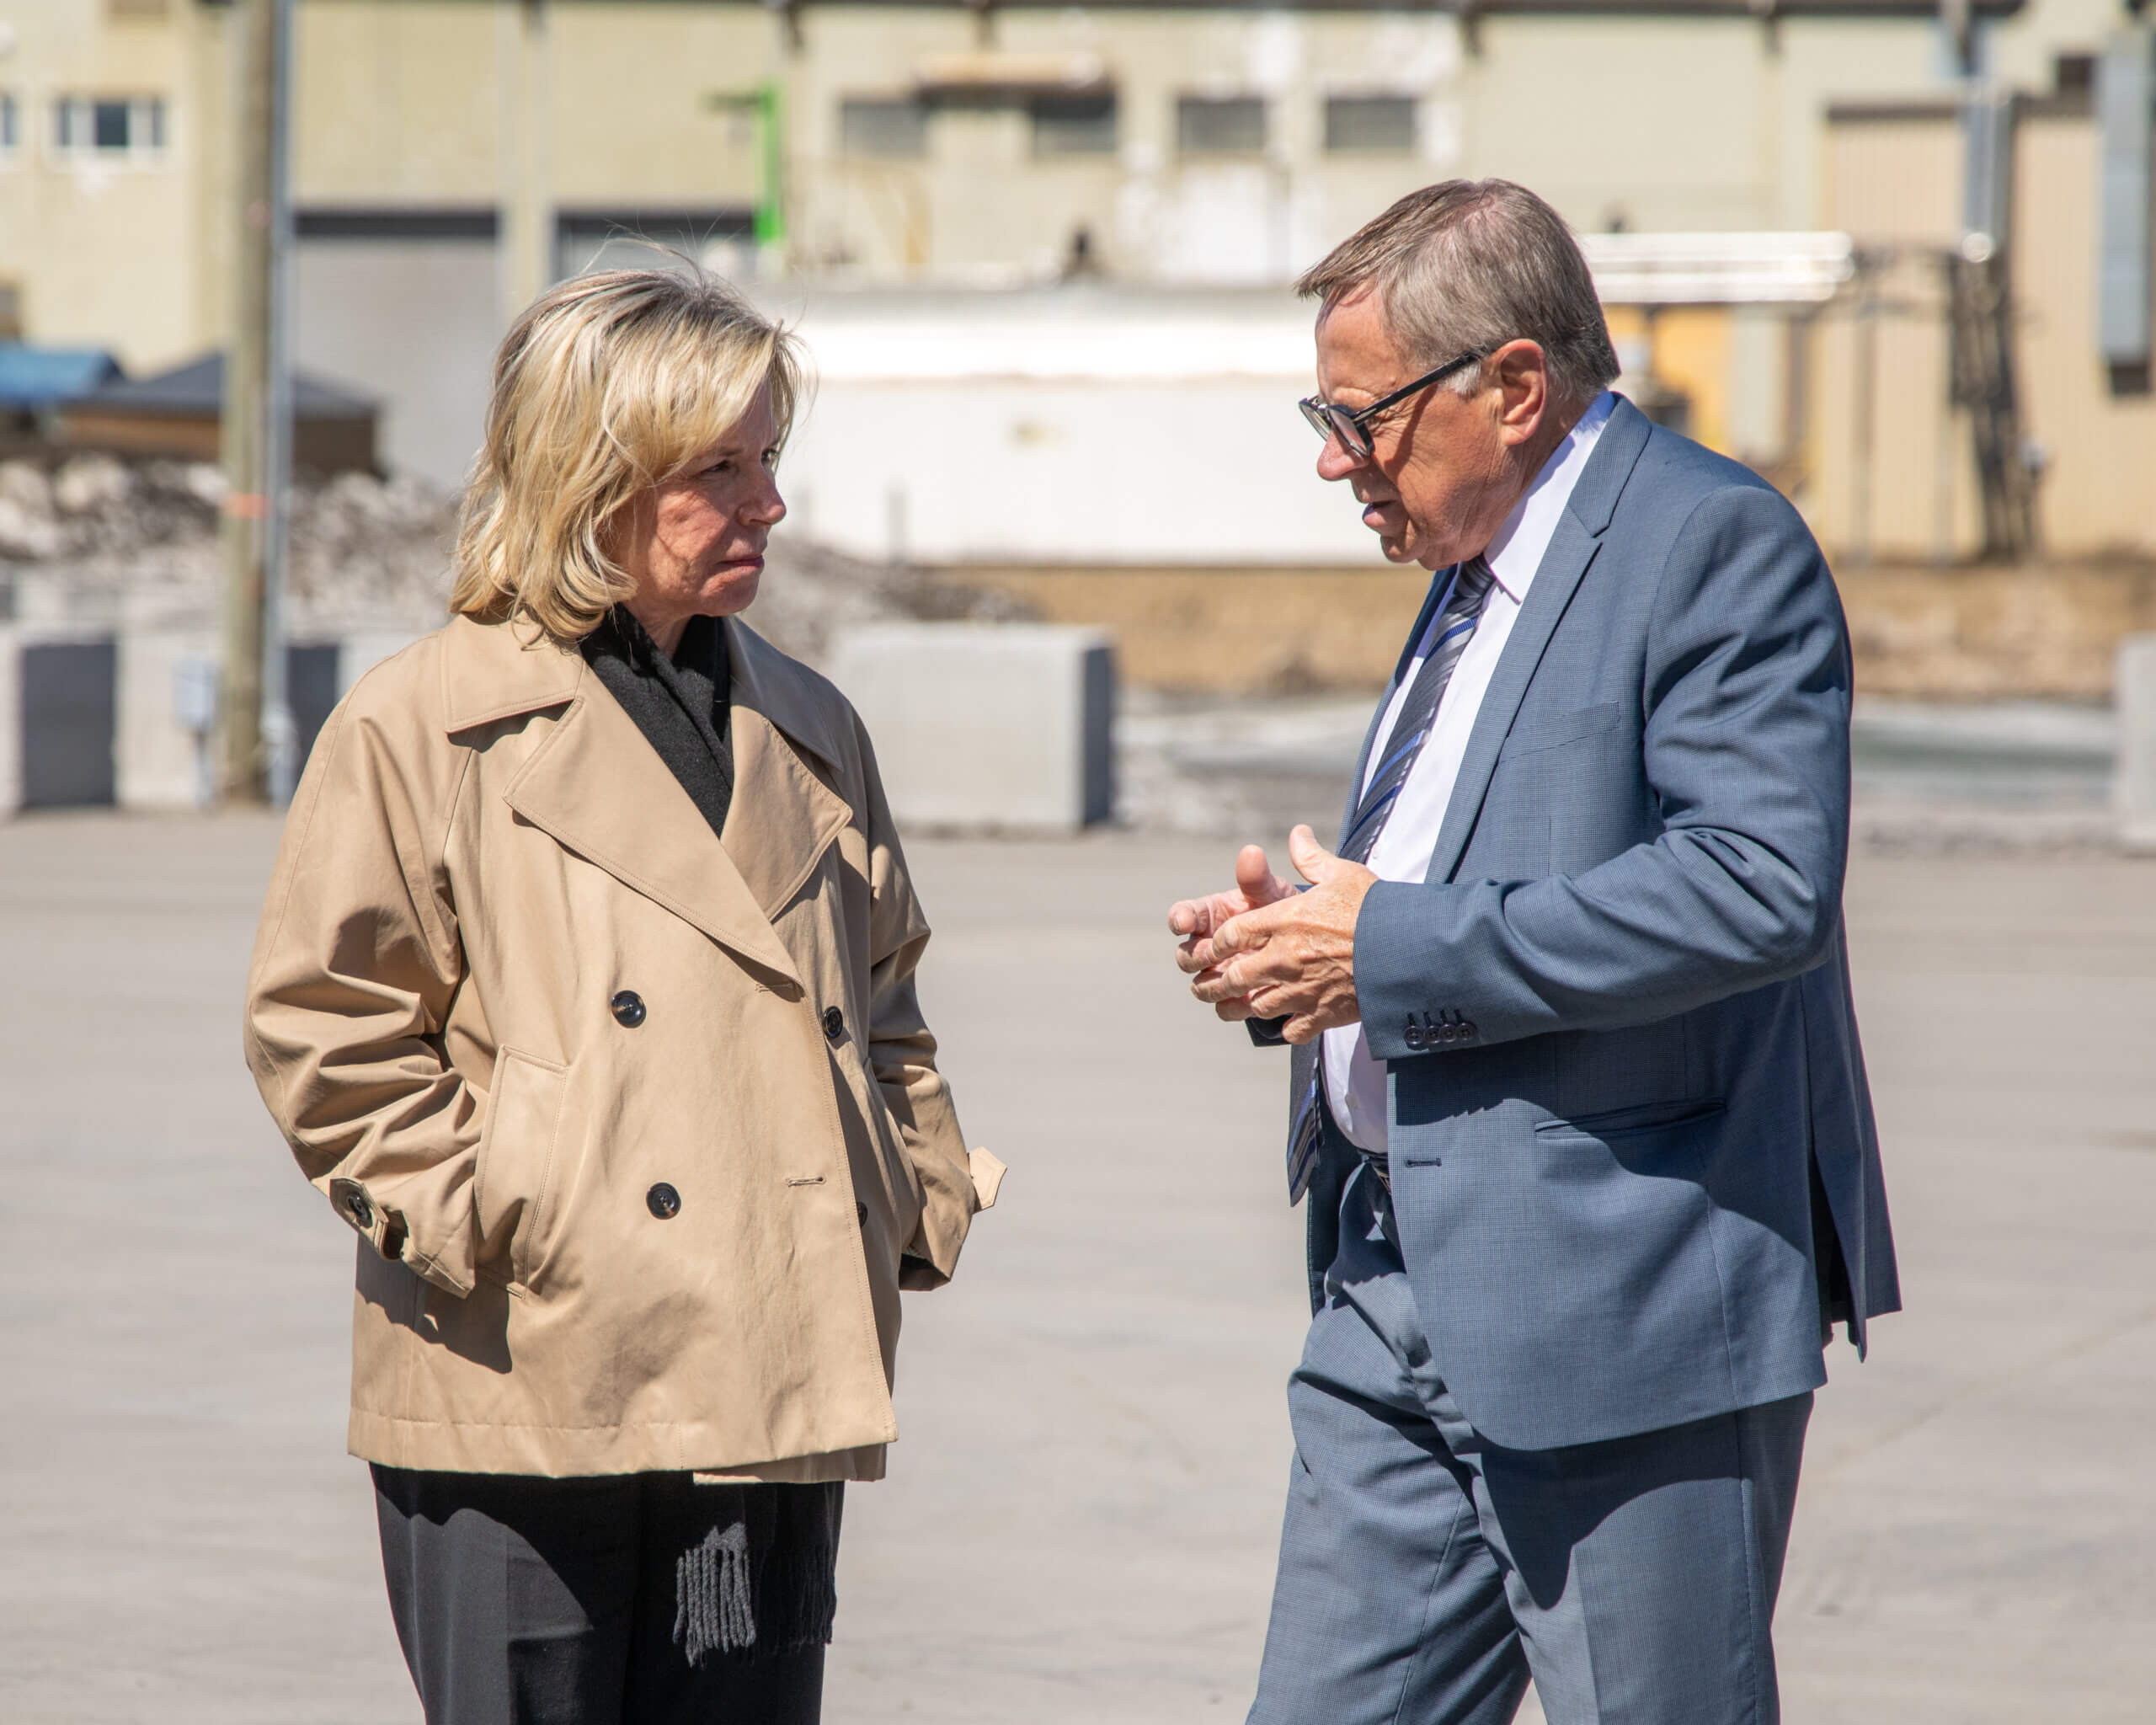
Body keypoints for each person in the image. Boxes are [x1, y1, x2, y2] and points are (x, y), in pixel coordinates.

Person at [1169, 180, 1898, 1724]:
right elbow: (1462, 878)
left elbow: (1759, 883)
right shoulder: (1470, 568)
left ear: (1511, 387)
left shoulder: (1709, 542)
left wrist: (1386, 949)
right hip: (1388, 1288)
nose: (1333, 458)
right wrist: (1294, 957)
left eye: (1361, 416)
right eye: (1323, 415)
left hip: (1622, 1302)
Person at [243, 267, 1004, 1724]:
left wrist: (905, 1194)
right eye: (720, 469)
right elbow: (324, 1028)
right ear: (593, 476)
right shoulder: (423, 725)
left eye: (769, 458)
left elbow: (886, 1001)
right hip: (525, 1375)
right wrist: (501, 1213)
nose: (770, 503)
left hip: (768, 1370)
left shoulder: (811, 723)